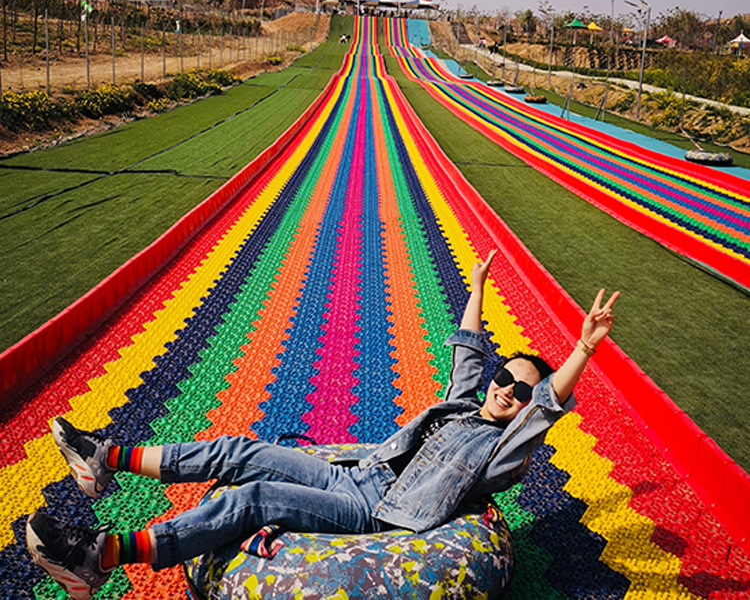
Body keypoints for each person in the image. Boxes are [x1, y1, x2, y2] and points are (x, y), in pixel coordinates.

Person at [27, 250, 619, 600]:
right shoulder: (465, 404)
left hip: (379, 511)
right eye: (504, 379)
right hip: (354, 474)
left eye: (519, 390)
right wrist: (479, 287)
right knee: (244, 451)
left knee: (255, 497)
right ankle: (107, 460)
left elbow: (544, 409)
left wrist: (583, 351)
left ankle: (100, 557)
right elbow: (467, 350)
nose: (507, 392)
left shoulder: (501, 451)